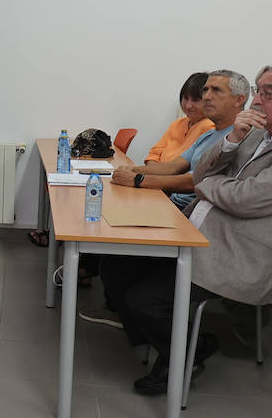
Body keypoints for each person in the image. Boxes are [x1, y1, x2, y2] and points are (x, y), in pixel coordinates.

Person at [97, 61, 272, 395]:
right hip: (202, 232)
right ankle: (176, 348)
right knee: (115, 262)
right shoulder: (259, 130)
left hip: (242, 254)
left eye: (267, 94)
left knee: (146, 299)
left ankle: (184, 353)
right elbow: (202, 172)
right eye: (258, 91)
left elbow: (244, 199)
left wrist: (208, 185)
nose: (256, 101)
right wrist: (231, 140)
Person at [78, 70, 249, 330]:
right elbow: (172, 167)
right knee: (112, 239)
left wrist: (139, 181)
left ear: (240, 100)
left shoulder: (239, 140)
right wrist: (133, 171)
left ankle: (129, 316)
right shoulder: (210, 134)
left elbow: (196, 181)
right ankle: (128, 317)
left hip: (187, 210)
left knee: (117, 252)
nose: (206, 98)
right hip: (173, 200)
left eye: (215, 91)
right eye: (206, 91)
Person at [143, 72, 214, 164]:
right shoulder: (177, 124)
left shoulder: (210, 128)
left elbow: (187, 167)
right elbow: (153, 154)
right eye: (185, 98)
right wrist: (152, 171)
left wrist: (153, 173)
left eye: (195, 100)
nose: (188, 106)